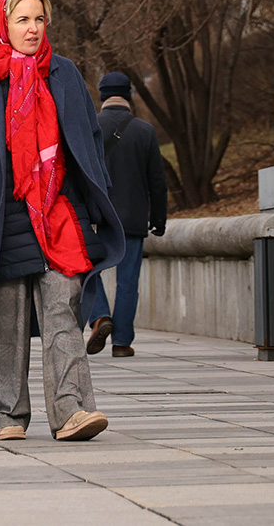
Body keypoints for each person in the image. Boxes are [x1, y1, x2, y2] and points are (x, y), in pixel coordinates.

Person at [0, 0, 124, 442]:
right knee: (7, 321)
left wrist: (94, 201)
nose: (32, 28)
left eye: (39, 19)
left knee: (64, 310)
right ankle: (10, 414)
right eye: (22, 19)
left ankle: (70, 412)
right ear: (3, 24)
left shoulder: (63, 73)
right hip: (1, 216)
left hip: (58, 211)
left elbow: (90, 143)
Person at [86, 72, 168, 358]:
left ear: (102, 95)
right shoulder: (145, 131)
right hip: (132, 219)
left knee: (88, 272)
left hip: (97, 216)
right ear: (129, 95)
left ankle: (99, 316)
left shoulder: (90, 127)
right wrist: (158, 219)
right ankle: (122, 342)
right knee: (128, 281)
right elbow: (157, 181)